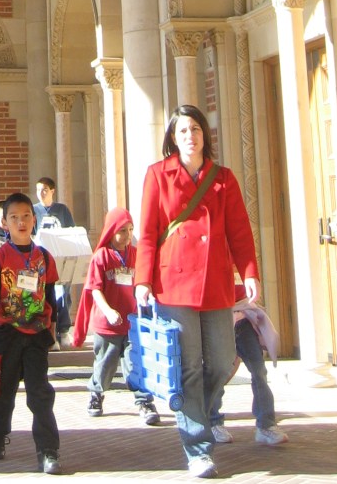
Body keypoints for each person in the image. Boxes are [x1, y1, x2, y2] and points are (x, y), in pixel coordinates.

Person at [134, 104, 259, 481]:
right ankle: (198, 447)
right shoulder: (158, 175)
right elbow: (149, 233)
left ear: (206, 134)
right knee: (188, 366)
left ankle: (198, 413)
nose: (191, 136)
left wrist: (249, 271)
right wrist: (142, 280)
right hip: (174, 284)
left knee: (222, 361)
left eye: (196, 129)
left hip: (216, 282)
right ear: (173, 137)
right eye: (183, 130)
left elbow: (239, 229)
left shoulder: (224, 178)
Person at [0, 192, 62, 475]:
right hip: (6, 333)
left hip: (36, 332)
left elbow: (51, 297)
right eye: (14, 217)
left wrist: (53, 329)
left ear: (34, 220)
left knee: (40, 393)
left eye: (26, 216)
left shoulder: (44, 257)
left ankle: (48, 451)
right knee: (4, 392)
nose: (21, 222)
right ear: (4, 223)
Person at [71, 206, 160, 424]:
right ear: (111, 231)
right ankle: (96, 393)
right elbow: (94, 289)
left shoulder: (136, 255)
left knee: (135, 363)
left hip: (131, 323)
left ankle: (144, 400)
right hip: (107, 325)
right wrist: (108, 311)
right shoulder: (101, 257)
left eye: (130, 230)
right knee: (105, 363)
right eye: (123, 231)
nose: (128, 236)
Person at [210, 287, 287, 446]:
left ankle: (266, 425)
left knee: (259, 370)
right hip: (217, 316)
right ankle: (213, 423)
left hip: (244, 316)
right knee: (218, 371)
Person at [34, 176, 75, 342]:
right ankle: (46, 329)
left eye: (44, 189)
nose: (41, 193)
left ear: (52, 191)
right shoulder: (34, 210)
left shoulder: (62, 210)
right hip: (41, 260)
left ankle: (63, 329)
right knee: (44, 294)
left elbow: (71, 231)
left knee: (63, 294)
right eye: (38, 190)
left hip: (62, 258)